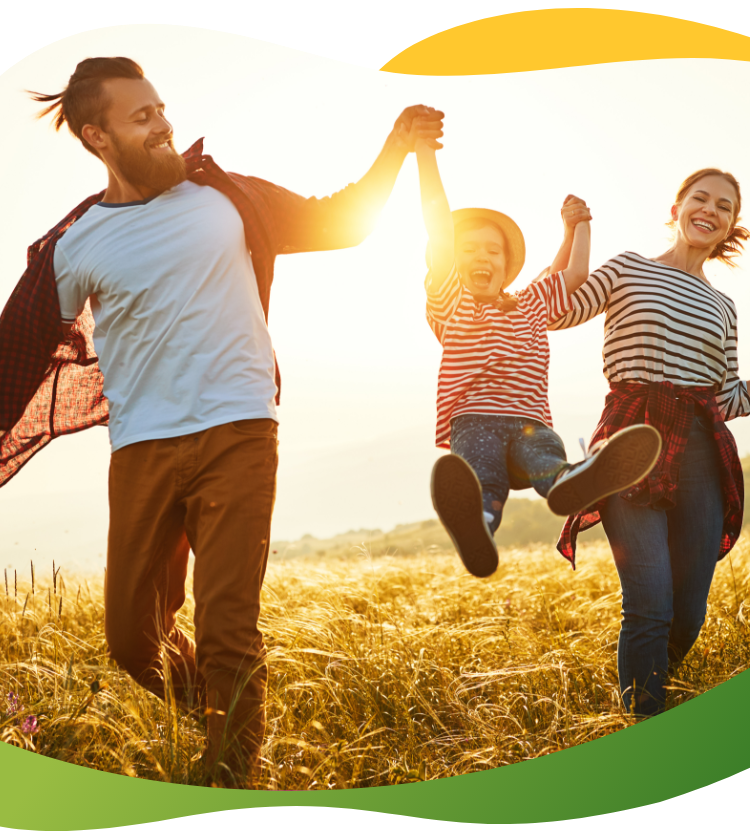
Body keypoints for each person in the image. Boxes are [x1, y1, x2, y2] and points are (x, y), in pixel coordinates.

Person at [0, 56, 445, 787]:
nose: (163, 124)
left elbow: (341, 221)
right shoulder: (75, 243)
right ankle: (223, 712)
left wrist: (395, 145)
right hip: (141, 447)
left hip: (239, 430)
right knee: (131, 640)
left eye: (161, 109)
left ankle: (233, 771)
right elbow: (16, 357)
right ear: (97, 135)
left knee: (227, 624)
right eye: (141, 116)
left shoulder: (225, 197)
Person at [414, 131, 662, 579]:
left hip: (531, 423)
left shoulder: (531, 302)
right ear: (451, 258)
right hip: (475, 422)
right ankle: (480, 530)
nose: (481, 256)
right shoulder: (452, 300)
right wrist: (425, 156)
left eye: (493, 250)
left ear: (507, 265)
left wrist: (579, 225)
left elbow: (574, 272)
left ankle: (573, 482)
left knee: (547, 462)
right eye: (468, 250)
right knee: (481, 480)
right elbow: (436, 224)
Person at [549, 169, 750, 717]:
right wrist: (576, 232)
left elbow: (728, 396)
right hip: (631, 444)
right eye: (700, 198)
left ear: (731, 224)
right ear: (679, 205)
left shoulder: (724, 307)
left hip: (702, 454)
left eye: (724, 207)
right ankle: (644, 721)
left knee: (688, 612)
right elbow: (559, 310)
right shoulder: (629, 269)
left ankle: (650, 692)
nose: (710, 210)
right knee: (650, 605)